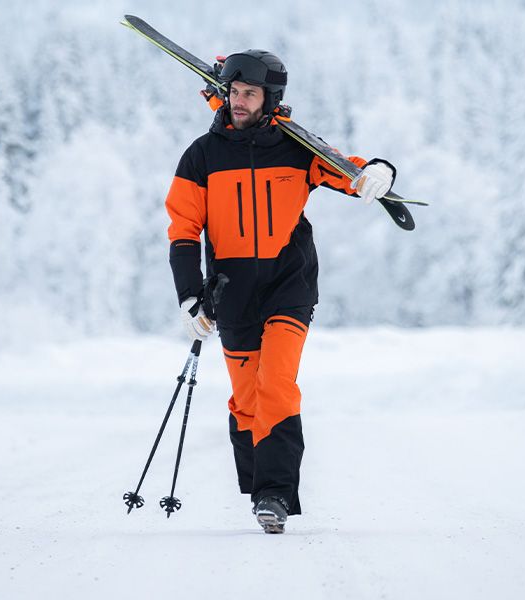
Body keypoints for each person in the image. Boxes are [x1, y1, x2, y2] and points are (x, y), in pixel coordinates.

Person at [164, 49, 396, 533]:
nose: (240, 101)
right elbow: (183, 231)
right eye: (234, 92)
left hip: (288, 287)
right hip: (232, 294)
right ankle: (259, 487)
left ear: (270, 99)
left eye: (250, 93)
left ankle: (274, 495)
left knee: (277, 384)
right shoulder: (201, 157)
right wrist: (189, 296)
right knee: (247, 398)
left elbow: (345, 170)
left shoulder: (295, 149)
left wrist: (376, 172)